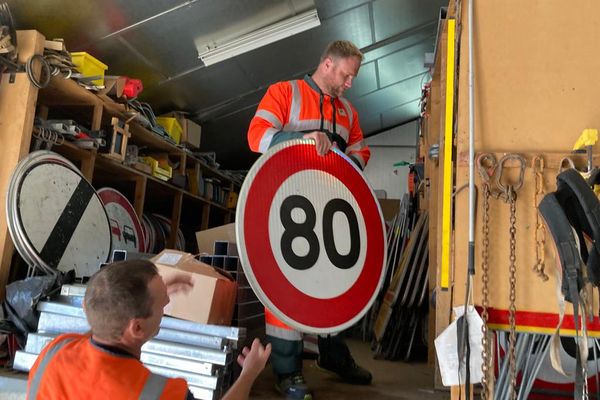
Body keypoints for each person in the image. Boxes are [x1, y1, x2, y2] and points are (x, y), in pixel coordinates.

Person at [247, 40, 372, 400]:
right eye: (347, 75)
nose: (350, 83)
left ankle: (333, 357)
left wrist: (347, 163)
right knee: (287, 287)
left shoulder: (348, 112)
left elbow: (360, 148)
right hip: (285, 208)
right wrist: (302, 140)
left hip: (330, 210)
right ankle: (287, 372)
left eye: (353, 78)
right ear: (328, 64)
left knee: (333, 284)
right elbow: (257, 136)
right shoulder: (284, 93)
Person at [26, 260, 271, 400]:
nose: (166, 306)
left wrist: (151, 293)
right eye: (162, 306)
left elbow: (105, 319)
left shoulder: (54, 351)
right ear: (137, 328)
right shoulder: (158, 392)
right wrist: (249, 372)